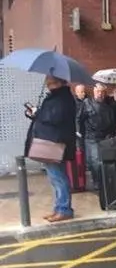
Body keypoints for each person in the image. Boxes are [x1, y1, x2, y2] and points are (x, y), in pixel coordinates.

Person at [24, 75, 77, 222]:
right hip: (50, 142)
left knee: (59, 178)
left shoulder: (63, 98)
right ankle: (59, 208)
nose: (48, 84)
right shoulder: (57, 97)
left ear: (58, 82)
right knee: (55, 178)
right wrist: (34, 114)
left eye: (50, 82)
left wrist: (38, 112)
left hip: (55, 143)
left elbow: (54, 117)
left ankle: (64, 209)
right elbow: (48, 118)